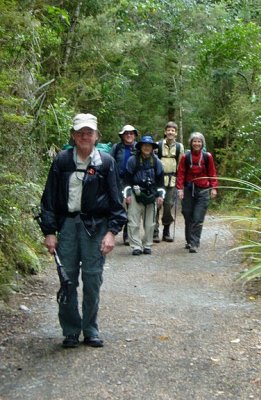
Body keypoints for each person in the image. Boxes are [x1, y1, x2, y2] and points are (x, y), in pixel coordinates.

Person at [40, 113, 127, 348]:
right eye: (80, 132)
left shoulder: (106, 163)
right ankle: (70, 330)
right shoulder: (62, 161)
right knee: (67, 279)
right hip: (67, 227)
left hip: (96, 227)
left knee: (92, 279)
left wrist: (112, 232)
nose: (84, 136)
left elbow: (116, 202)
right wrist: (49, 232)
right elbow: (48, 199)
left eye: (89, 132)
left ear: (97, 135)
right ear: (73, 135)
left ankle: (90, 329)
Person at [176, 132, 218, 253]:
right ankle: (189, 240)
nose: (197, 143)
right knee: (187, 213)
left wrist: (214, 188)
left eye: (199, 141)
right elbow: (181, 173)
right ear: (191, 143)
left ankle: (194, 243)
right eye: (194, 141)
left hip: (203, 189)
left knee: (198, 217)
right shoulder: (185, 157)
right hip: (189, 189)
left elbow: (212, 172)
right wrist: (179, 189)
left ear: (202, 143)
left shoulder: (207, 156)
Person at [124, 135, 165, 255]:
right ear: (140, 147)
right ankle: (136, 246)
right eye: (144, 145)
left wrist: (160, 195)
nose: (147, 148)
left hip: (151, 194)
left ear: (152, 148)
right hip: (135, 193)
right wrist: (127, 194)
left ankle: (147, 244)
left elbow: (160, 181)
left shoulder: (156, 161)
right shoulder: (132, 160)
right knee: (133, 221)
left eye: (149, 146)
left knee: (150, 223)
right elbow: (127, 180)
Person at [153, 121, 184, 242]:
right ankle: (154, 232)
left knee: (168, 206)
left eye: (173, 130)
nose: (170, 132)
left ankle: (166, 231)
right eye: (169, 130)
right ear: (165, 131)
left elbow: (181, 166)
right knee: (156, 206)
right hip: (159, 181)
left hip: (172, 181)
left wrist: (180, 182)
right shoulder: (158, 145)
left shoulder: (179, 147)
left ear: (176, 133)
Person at [110, 124, 139, 245]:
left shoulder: (138, 148)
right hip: (118, 181)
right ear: (122, 136)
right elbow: (110, 162)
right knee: (118, 206)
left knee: (131, 208)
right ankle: (113, 230)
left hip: (133, 181)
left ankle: (127, 235)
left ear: (134, 135)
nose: (129, 135)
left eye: (131, 133)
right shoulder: (116, 147)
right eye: (126, 133)